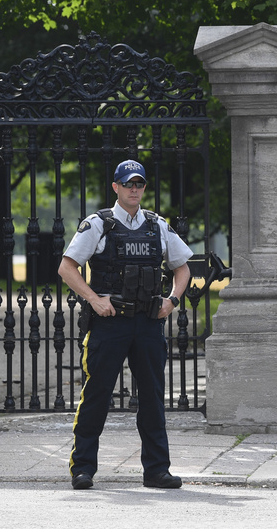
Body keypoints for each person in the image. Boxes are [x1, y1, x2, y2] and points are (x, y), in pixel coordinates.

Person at [58, 159, 193, 491]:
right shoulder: (98, 224)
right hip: (110, 322)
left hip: (147, 323)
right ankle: (83, 468)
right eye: (128, 183)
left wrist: (172, 301)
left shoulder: (157, 225)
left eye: (140, 184)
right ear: (116, 187)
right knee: (97, 395)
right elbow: (67, 268)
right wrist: (94, 298)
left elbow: (183, 268)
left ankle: (157, 470)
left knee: (152, 397)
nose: (134, 189)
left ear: (144, 188)